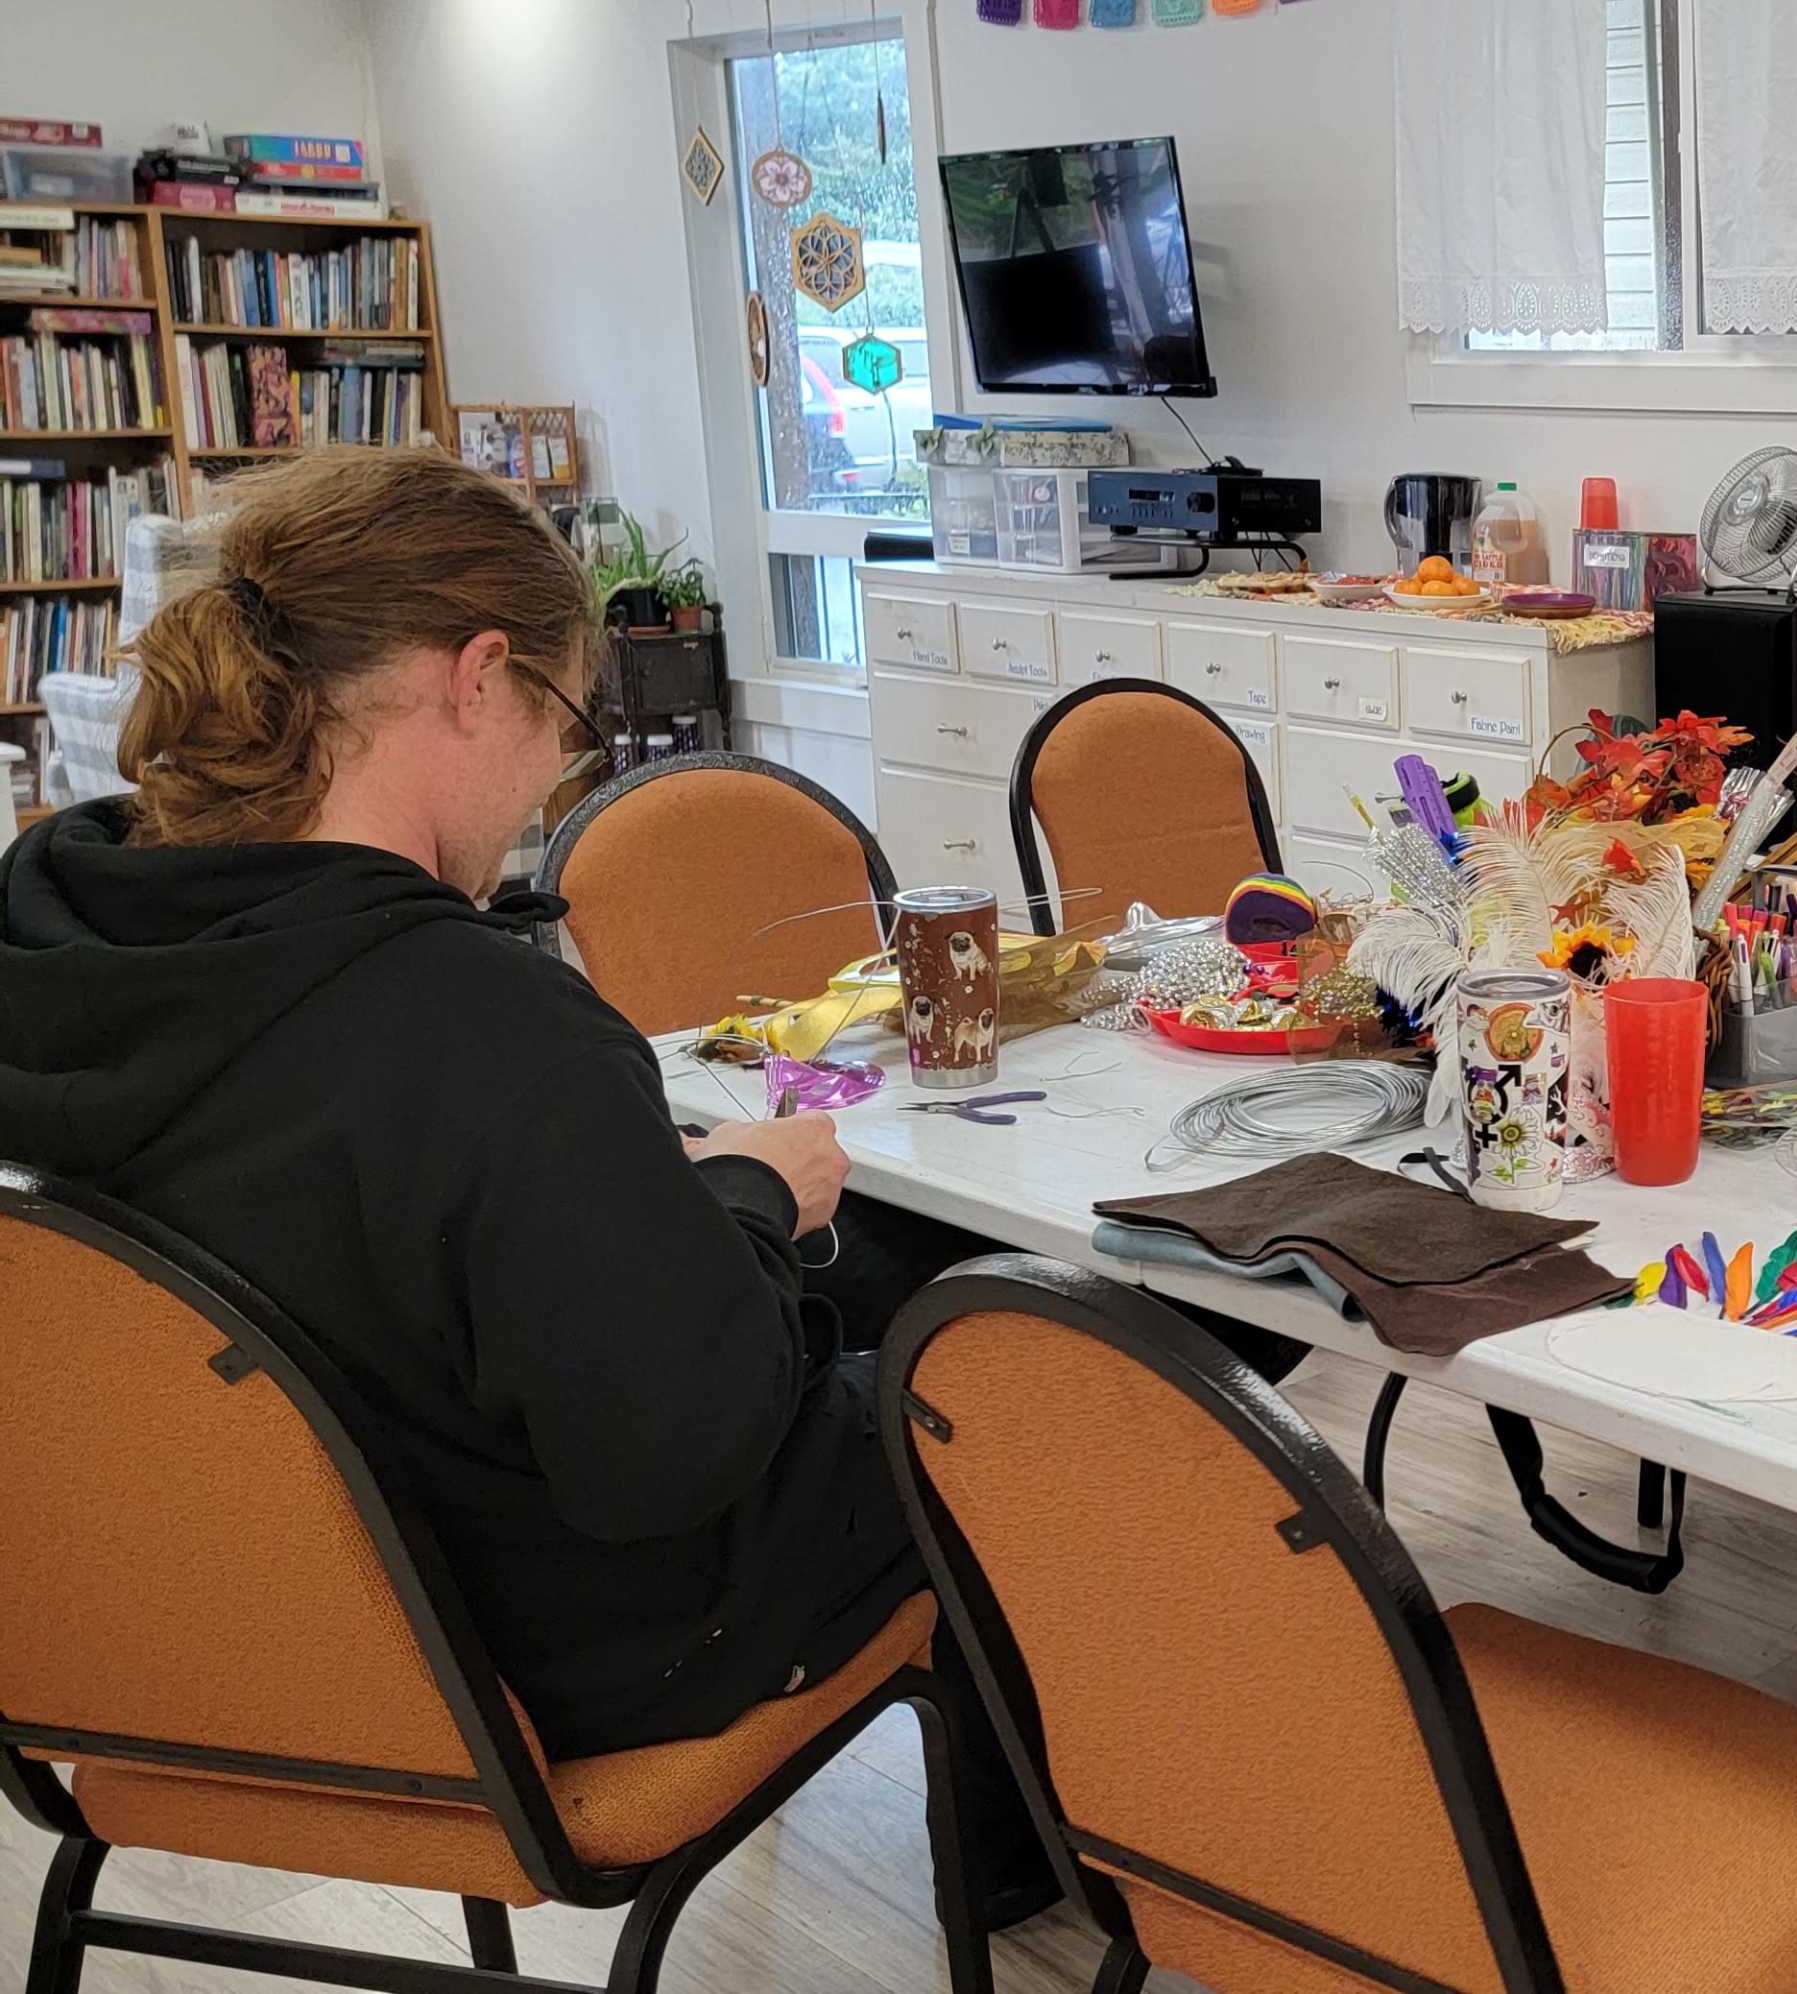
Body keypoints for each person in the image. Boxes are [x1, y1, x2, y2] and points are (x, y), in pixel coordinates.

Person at [0, 450, 1044, 1912]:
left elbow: (346, 1219)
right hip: (547, 1653)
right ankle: (1078, 1876)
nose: (555, 772)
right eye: (565, 722)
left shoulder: (64, 944)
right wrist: (739, 1202)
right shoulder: (483, 1028)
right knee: (1029, 1354)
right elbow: (674, 1461)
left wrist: (654, 1205)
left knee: (886, 1272)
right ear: (475, 678)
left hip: (202, 1629)